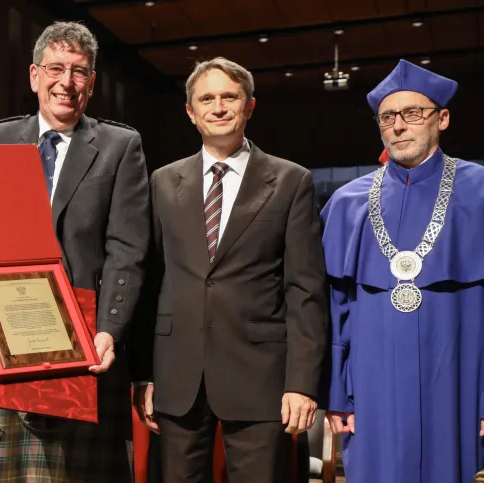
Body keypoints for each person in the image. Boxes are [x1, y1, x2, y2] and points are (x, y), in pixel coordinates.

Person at [0, 21, 151, 482]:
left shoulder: (120, 146)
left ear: (92, 83)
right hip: (1, 332)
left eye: (79, 72)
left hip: (82, 338)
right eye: (56, 68)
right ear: (34, 75)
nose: (66, 82)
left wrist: (110, 330)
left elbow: (128, 248)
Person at [133, 57, 328, 483]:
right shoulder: (162, 182)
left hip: (262, 378)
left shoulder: (291, 181)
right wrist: (144, 374)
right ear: (190, 111)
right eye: (207, 98)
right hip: (177, 377)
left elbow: (306, 290)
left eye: (229, 97)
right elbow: (149, 283)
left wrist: (302, 382)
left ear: (249, 106)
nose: (218, 106)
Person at [321, 59, 484, 483]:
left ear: (442, 118)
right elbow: (335, 307)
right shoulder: (347, 202)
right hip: (374, 384)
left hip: (458, 375)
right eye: (388, 117)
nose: (399, 126)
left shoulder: (481, 190)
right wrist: (338, 395)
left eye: (413, 113)